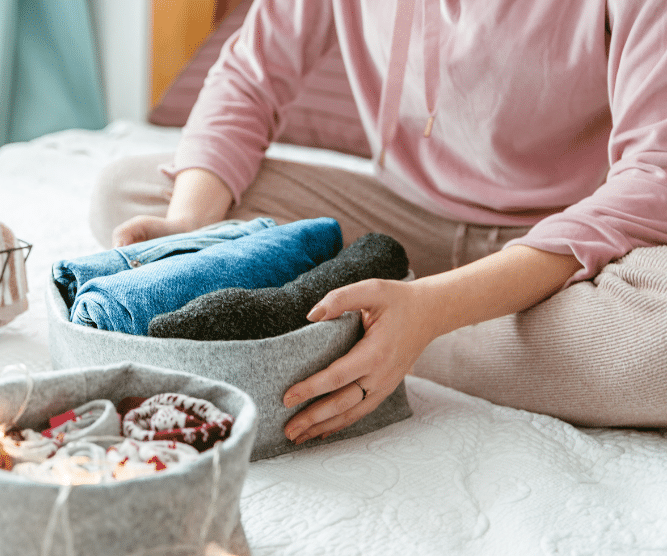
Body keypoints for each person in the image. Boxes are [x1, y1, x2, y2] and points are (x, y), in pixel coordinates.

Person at [89, 0, 667, 444]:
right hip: (401, 215)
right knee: (131, 192)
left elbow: (652, 176)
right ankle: (394, 322)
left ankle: (402, 330)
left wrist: (435, 310)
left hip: (571, 244)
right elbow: (250, 77)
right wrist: (191, 225)